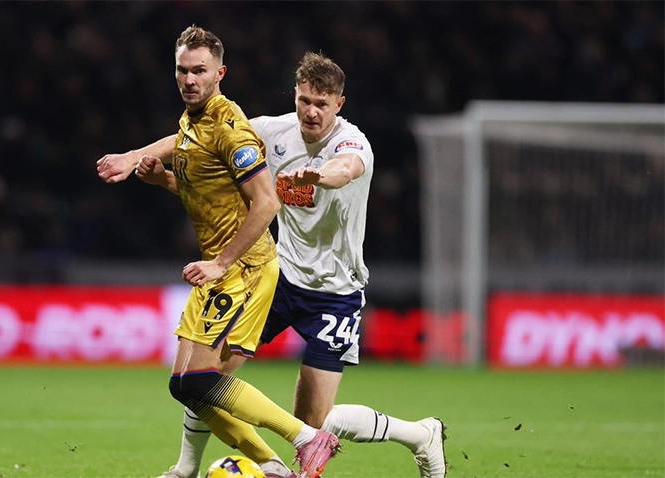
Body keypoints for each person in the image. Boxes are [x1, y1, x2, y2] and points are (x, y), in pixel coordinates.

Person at [98, 50, 447, 478]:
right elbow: (191, 141)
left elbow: (346, 168)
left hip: (335, 293)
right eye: (304, 101)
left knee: (313, 422)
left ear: (339, 104)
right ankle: (188, 466)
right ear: (296, 97)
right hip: (279, 276)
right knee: (205, 380)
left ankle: (418, 433)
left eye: (322, 103)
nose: (311, 112)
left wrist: (318, 176)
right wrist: (135, 156)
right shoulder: (273, 131)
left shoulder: (352, 143)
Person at [96, 26, 340, 478]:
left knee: (203, 382)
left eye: (199, 71)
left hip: (243, 267)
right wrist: (156, 175)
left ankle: (306, 438)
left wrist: (222, 262)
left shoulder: (232, 130)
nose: (189, 79)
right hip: (219, 268)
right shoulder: (192, 121)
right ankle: (273, 468)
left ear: (219, 73)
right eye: (182, 70)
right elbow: (207, 190)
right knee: (184, 386)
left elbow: (266, 203)